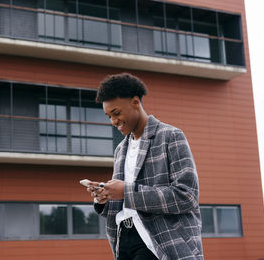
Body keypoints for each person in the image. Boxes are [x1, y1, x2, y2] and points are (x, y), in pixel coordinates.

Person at [86, 73, 203, 260]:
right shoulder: (120, 150)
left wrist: (126, 191)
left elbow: (187, 196)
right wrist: (104, 197)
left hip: (159, 239)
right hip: (122, 238)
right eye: (109, 116)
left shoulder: (171, 136)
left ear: (135, 102)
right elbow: (124, 202)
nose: (113, 121)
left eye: (116, 113)